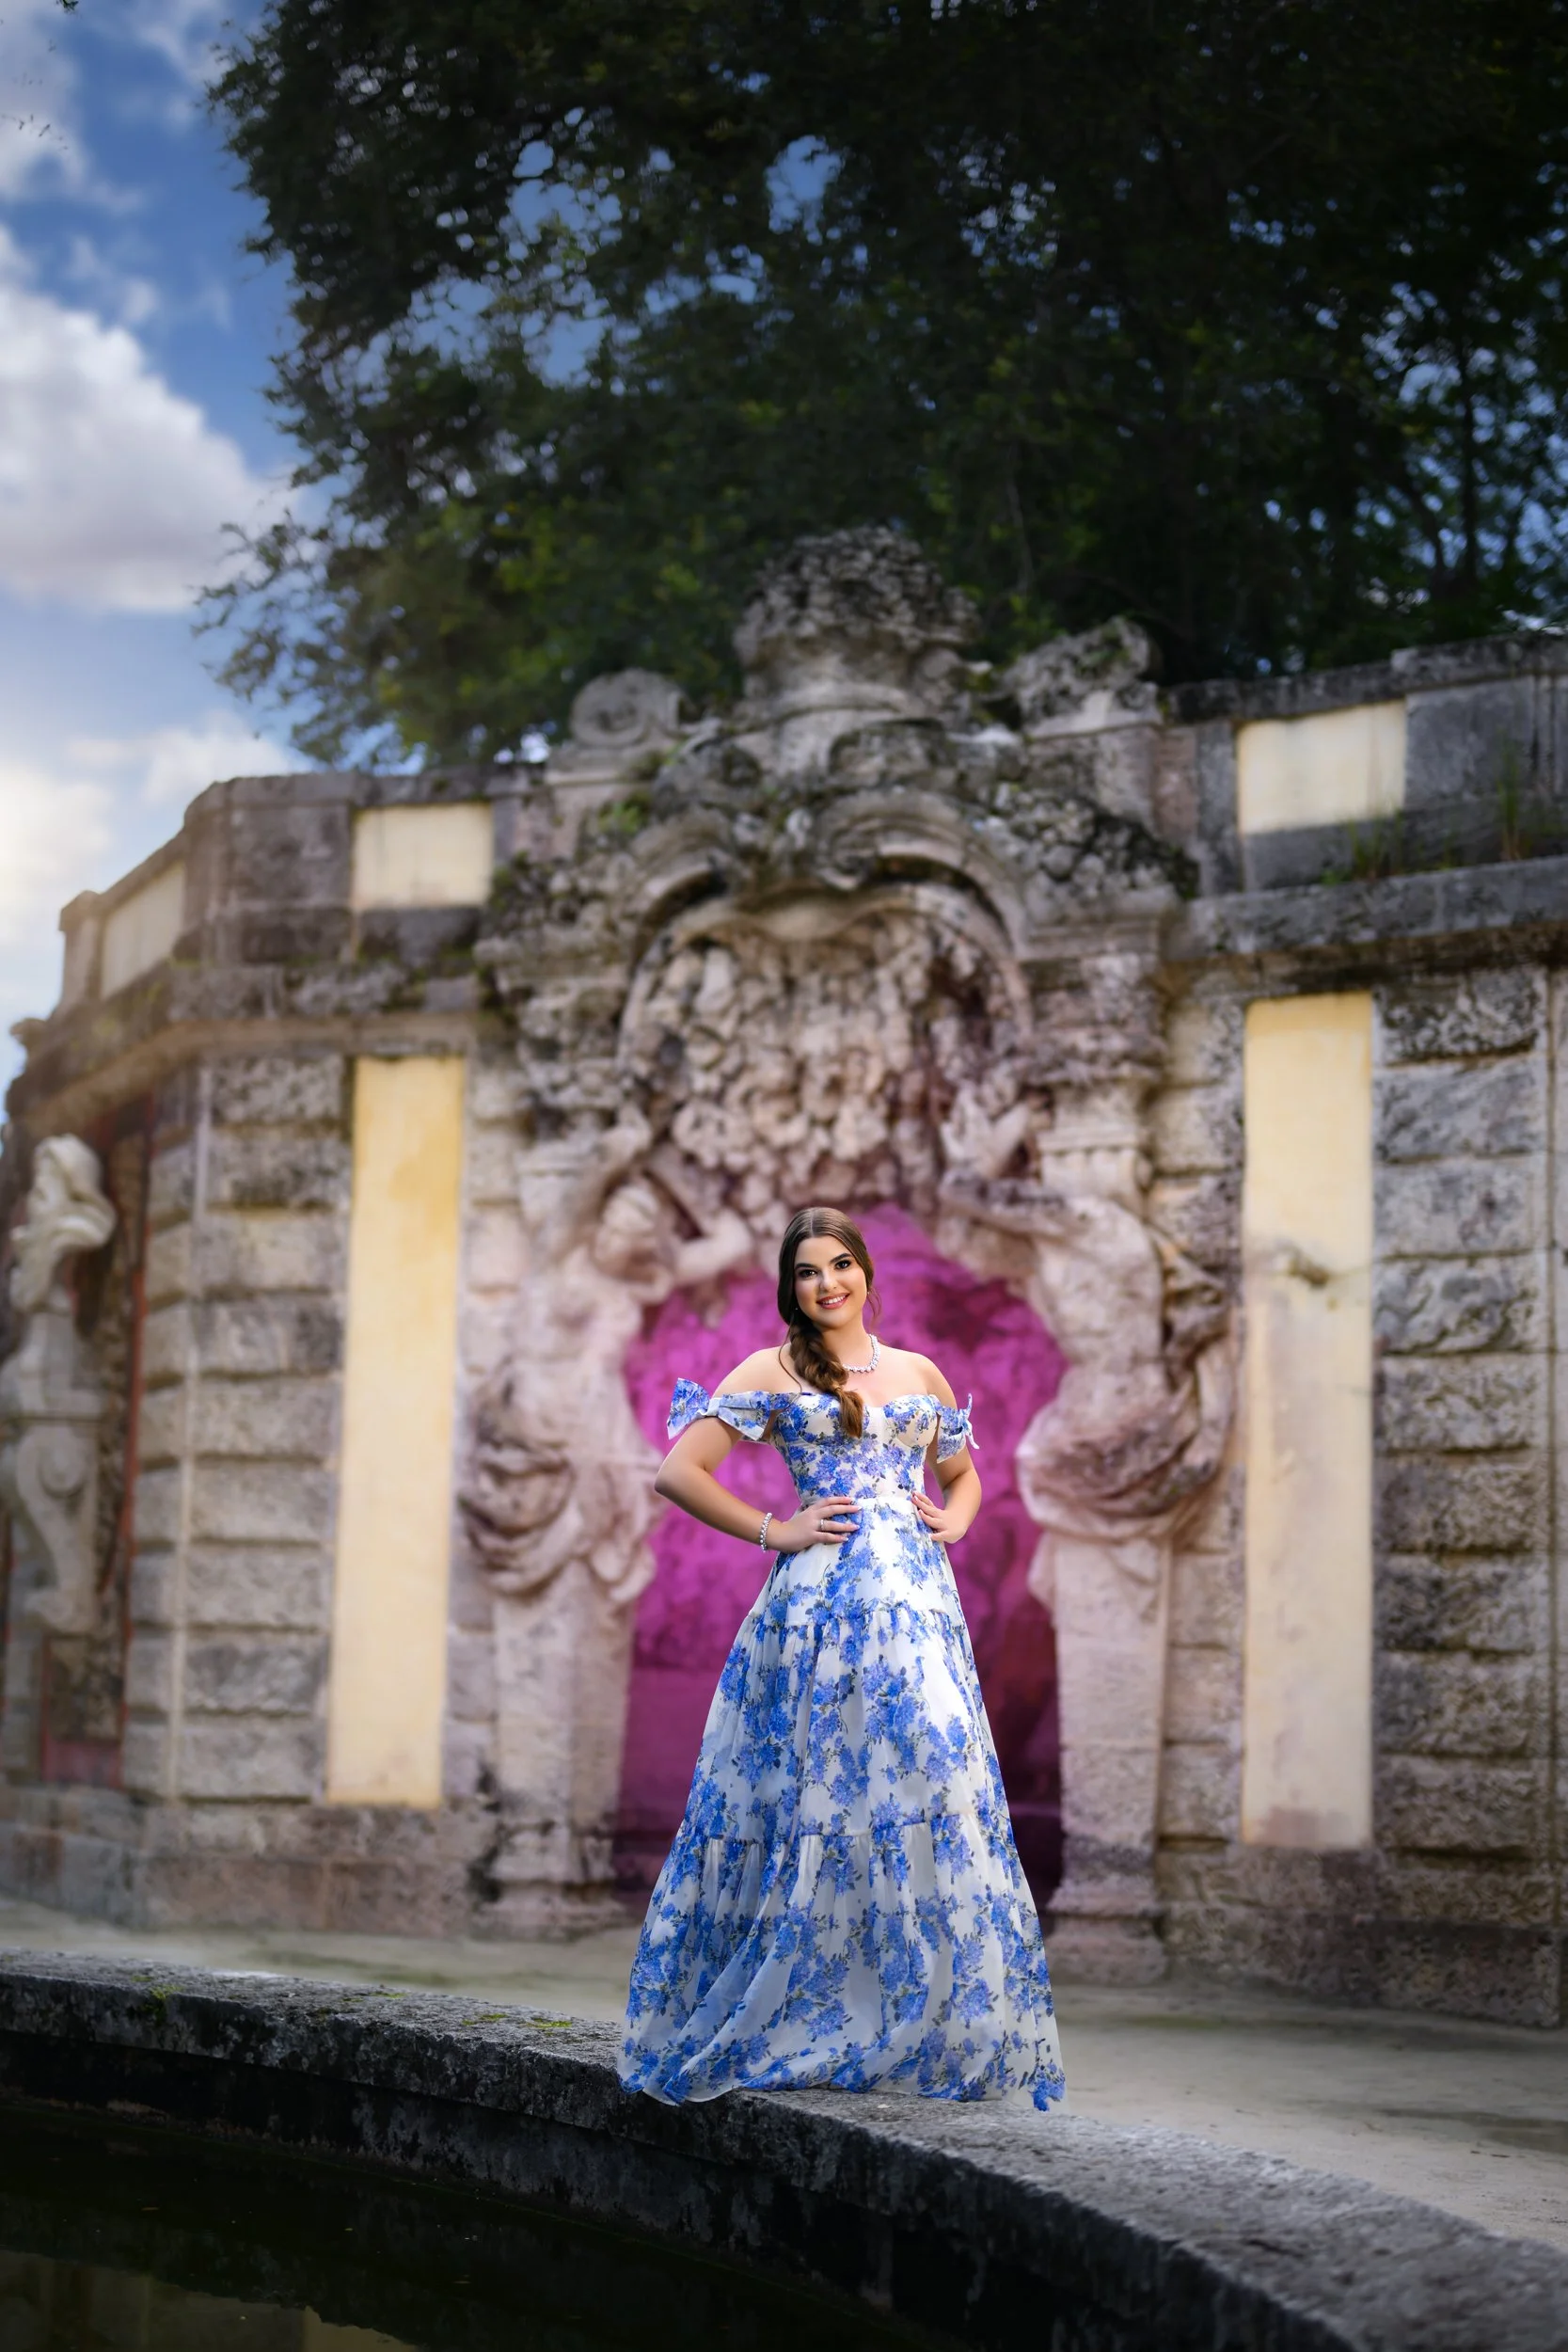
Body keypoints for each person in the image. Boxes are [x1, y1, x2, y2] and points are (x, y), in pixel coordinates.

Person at [619, 1204, 1065, 2110]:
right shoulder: (770, 1369)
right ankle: (807, 2008)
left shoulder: (916, 1371)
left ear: (864, 1271)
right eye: (807, 1272)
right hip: (819, 1610)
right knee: (820, 1791)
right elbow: (677, 1471)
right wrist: (775, 1530)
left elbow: (964, 1471)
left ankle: (928, 2017)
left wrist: (961, 1517)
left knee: (929, 1783)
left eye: (838, 1266)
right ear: (791, 1289)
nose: (826, 1284)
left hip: (916, 1612)